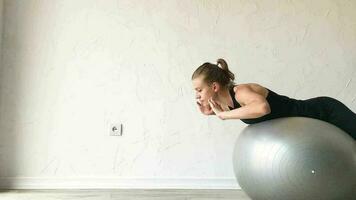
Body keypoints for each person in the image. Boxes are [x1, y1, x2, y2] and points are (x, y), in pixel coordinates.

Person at [192, 58, 356, 140]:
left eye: (199, 90)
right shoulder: (227, 106)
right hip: (304, 129)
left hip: (324, 111)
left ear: (214, 87)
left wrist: (222, 115)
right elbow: (245, 112)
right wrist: (213, 112)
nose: (197, 95)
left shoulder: (241, 92)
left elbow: (263, 108)